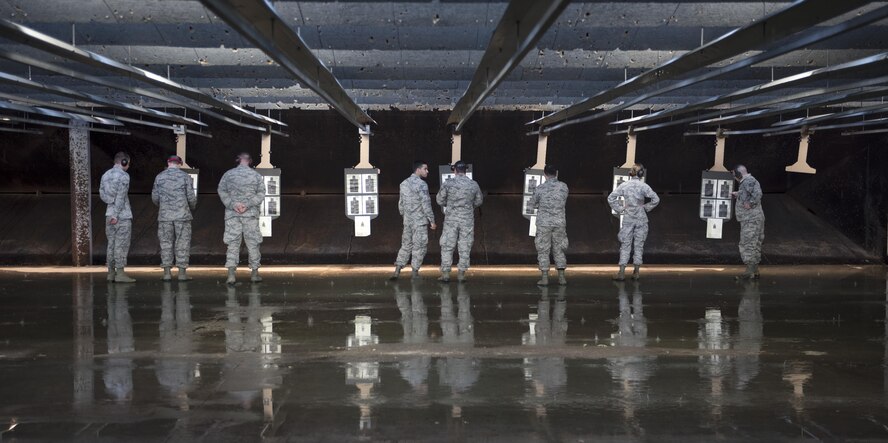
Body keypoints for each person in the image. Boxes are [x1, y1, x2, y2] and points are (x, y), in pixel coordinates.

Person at [218, 152, 265, 285]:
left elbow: (221, 191)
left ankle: (231, 275)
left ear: (237, 160)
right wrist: (248, 204)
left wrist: (233, 205)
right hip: (250, 215)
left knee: (232, 243)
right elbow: (261, 193)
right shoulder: (256, 175)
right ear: (250, 161)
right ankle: (255, 274)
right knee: (253, 243)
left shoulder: (228, 174)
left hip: (233, 215)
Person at [607, 164, 660, 281]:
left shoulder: (624, 185)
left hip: (628, 218)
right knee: (639, 245)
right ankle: (636, 273)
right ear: (641, 174)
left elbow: (611, 198)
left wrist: (620, 208)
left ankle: (621, 273)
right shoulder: (644, 186)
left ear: (631, 173)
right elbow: (656, 199)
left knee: (625, 245)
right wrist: (645, 207)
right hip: (641, 218)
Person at [151, 155, 197, 281]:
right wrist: (191, 207)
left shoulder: (159, 177)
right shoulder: (185, 177)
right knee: (182, 243)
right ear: (180, 164)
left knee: (166, 243)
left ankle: (166, 273)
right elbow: (191, 197)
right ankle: (182, 274)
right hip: (182, 216)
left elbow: (155, 197)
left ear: (168, 162)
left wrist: (164, 206)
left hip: (165, 216)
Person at [436, 161, 483, 283]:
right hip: (467, 219)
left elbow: (440, 200)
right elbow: (479, 201)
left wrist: (450, 204)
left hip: (451, 219)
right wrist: (467, 206)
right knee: (465, 246)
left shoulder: (448, 183)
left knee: (447, 245)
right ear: (465, 170)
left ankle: (446, 274)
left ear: (454, 170)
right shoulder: (473, 184)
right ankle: (461, 274)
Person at [390, 161, 436, 280]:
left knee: (406, 245)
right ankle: (415, 273)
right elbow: (426, 204)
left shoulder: (403, 183)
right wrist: (432, 220)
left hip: (408, 221)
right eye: (425, 169)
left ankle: (397, 270)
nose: (427, 171)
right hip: (419, 222)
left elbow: (401, 204)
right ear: (418, 170)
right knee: (419, 246)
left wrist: (405, 217)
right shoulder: (422, 184)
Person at [99, 152, 136, 283]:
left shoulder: (105, 175)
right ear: (124, 162)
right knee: (121, 244)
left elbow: (101, 193)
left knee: (111, 244)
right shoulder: (124, 176)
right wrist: (116, 213)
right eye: (128, 163)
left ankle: (110, 273)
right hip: (121, 216)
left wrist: (111, 200)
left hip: (108, 214)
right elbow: (121, 197)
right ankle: (120, 274)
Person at [529, 164, 569, 286]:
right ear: (556, 173)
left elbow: (532, 204)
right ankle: (562, 278)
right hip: (559, 222)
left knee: (543, 249)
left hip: (544, 223)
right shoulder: (564, 187)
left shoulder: (540, 188)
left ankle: (545, 278)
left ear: (544, 174)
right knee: (559, 248)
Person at [731, 165, 765, 280]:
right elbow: (749, 192)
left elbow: (758, 194)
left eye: (735, 175)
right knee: (754, 243)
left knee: (748, 243)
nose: (735, 178)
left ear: (739, 174)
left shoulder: (748, 180)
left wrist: (750, 203)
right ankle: (754, 270)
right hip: (754, 219)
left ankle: (749, 272)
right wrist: (738, 194)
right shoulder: (748, 181)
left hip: (750, 219)